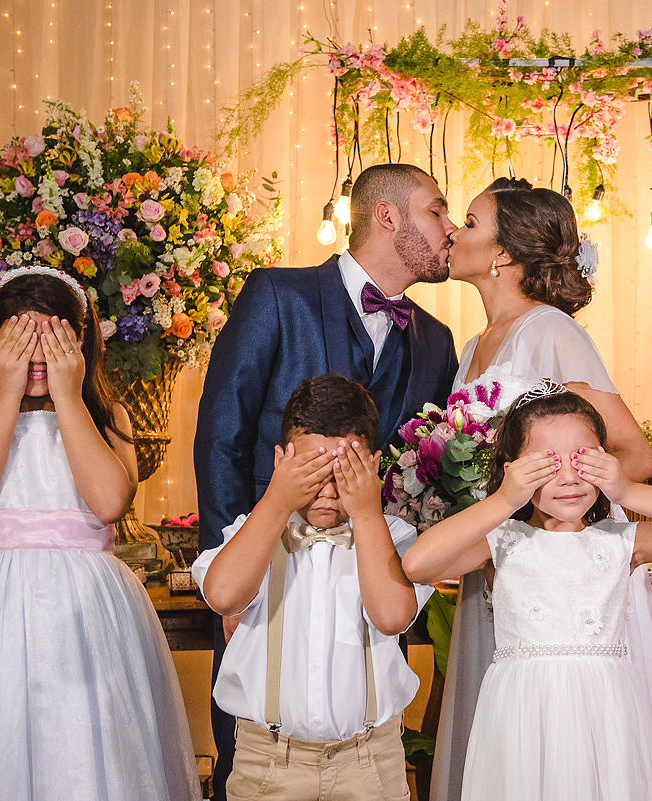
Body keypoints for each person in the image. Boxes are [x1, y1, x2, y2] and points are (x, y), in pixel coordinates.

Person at [194, 163, 459, 798]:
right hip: (262, 580)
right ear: (389, 216)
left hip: (368, 589)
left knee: (363, 740)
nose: (451, 230)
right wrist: (234, 580)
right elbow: (221, 437)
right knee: (258, 755)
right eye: (437, 211)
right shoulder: (276, 296)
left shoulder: (437, 343)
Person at [0, 266, 200, 800]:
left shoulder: (109, 419)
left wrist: (68, 396)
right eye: (19, 338)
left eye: (53, 339)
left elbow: (109, 502)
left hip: (87, 616)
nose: (36, 355)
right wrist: (6, 394)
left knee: (89, 747)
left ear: (79, 340)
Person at [430, 180, 652, 801]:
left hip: (561, 572)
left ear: (503, 253)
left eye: (468, 220)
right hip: (503, 561)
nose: (453, 232)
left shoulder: (552, 333)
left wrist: (553, 488)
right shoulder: (471, 347)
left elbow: (635, 455)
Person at [402, 387, 652, 801]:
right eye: (546, 464)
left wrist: (628, 491)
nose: (567, 477)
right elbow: (418, 564)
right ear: (513, 470)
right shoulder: (501, 542)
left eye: (583, 461)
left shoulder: (621, 542)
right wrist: (504, 500)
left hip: (606, 713)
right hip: (523, 717)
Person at [192, 374, 431, 801]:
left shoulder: (393, 537)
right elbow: (223, 595)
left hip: (370, 763)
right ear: (281, 461)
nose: (325, 489)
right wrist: (277, 500)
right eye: (308, 470)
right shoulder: (255, 531)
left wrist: (367, 512)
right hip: (267, 763)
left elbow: (392, 617)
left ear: (372, 466)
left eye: (342, 472)